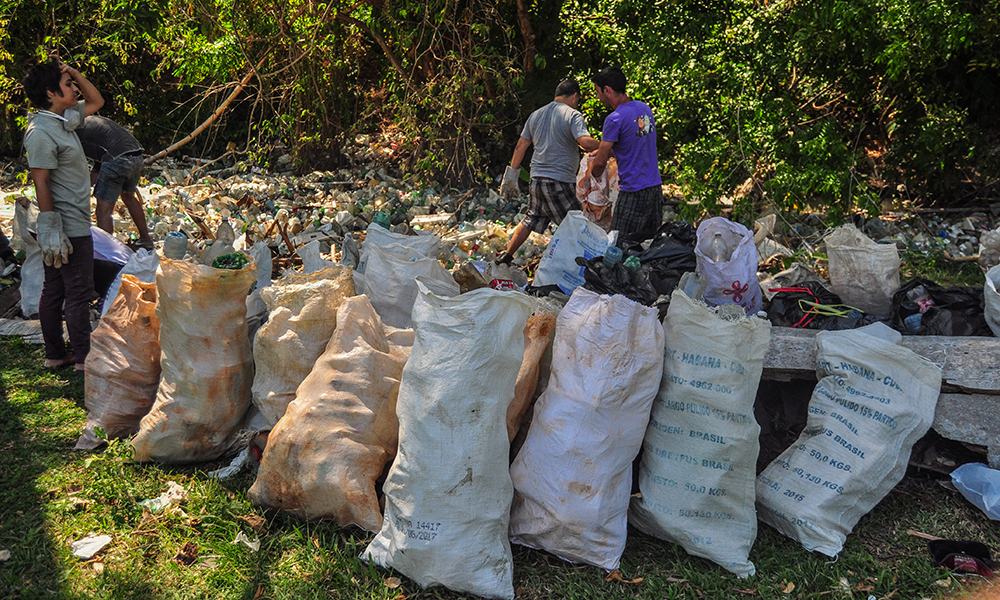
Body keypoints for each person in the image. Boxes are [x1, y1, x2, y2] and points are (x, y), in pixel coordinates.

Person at [22, 58, 104, 371]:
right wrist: (51, 226)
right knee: (77, 291)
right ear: (50, 93)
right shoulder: (41, 131)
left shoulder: (63, 119)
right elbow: (41, 181)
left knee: (55, 288)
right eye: (67, 85)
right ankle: (84, 358)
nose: (73, 89)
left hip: (70, 221)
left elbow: (97, 101)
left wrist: (74, 74)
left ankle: (56, 354)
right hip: (66, 225)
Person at [496, 79, 600, 265]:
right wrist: (607, 147)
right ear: (574, 96)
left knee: (531, 219)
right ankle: (583, 266)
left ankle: (506, 256)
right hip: (558, 181)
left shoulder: (536, 115)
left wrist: (511, 175)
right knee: (576, 224)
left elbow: (521, 146)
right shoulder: (573, 115)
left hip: (536, 180)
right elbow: (584, 142)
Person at [588, 66, 663, 242]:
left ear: (607, 90)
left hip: (633, 193)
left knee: (618, 245)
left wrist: (591, 179)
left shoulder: (614, 119)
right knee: (649, 244)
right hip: (654, 188)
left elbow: (600, 164)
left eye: (598, 92)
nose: (598, 97)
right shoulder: (644, 109)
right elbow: (634, 143)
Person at [75, 115, 153, 249]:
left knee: (103, 209)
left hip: (117, 158)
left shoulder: (74, 134)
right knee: (128, 196)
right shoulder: (90, 123)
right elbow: (98, 166)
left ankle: (106, 250)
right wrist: (85, 188)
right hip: (136, 155)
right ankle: (146, 239)